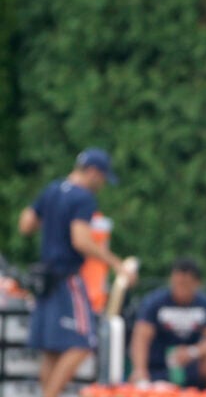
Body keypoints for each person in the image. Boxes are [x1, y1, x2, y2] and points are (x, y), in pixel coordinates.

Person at [18, 147, 136, 397]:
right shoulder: (83, 198)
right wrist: (117, 264)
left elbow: (26, 225)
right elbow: (80, 240)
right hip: (67, 279)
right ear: (93, 172)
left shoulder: (52, 190)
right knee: (84, 342)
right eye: (102, 178)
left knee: (52, 350)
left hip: (45, 280)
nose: (102, 185)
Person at [129, 258, 206, 392]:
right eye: (176, 283)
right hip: (158, 364)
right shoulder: (155, 302)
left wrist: (192, 352)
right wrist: (139, 369)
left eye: (185, 285)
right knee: (136, 379)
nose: (180, 289)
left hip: (191, 364)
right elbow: (141, 338)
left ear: (196, 284)